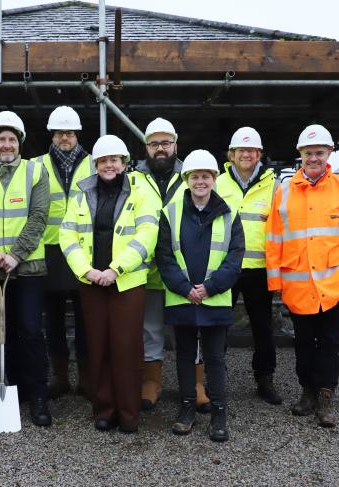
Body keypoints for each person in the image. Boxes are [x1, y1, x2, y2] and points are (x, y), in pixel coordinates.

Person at [265, 124, 339, 428]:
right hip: (298, 286)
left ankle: (325, 398)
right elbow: (273, 240)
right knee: (302, 344)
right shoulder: (284, 191)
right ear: (301, 155)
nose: (314, 158)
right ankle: (307, 393)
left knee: (328, 343)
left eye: (319, 152)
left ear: (329, 154)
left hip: (334, 285)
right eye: (309, 153)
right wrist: (275, 282)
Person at [60, 134, 160, 433]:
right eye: (103, 161)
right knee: (98, 346)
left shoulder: (141, 191)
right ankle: (104, 410)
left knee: (126, 348)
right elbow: (67, 235)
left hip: (126, 282)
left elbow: (147, 234)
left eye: (114, 160)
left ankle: (129, 414)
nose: (108, 165)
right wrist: (86, 271)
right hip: (92, 282)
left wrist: (116, 269)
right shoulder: (81, 193)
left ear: (124, 163)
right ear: (95, 165)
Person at [0, 110, 53, 426]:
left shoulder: (35, 172)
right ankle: (15, 389)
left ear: (20, 143)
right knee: (5, 332)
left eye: (11, 139)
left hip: (27, 267)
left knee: (30, 330)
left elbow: (39, 216)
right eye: (1, 139)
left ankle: (39, 393)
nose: (6, 145)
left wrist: (16, 254)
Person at [156, 150, 244, 442]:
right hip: (182, 298)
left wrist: (210, 287)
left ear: (214, 179)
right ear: (186, 180)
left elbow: (235, 257)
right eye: (195, 176)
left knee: (215, 358)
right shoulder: (170, 213)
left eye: (206, 176)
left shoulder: (230, 214)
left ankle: (219, 414)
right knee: (183, 356)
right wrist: (185, 288)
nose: (201, 181)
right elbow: (164, 257)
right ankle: (186, 410)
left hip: (215, 299)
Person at [136, 118, 210, 412]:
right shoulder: (134, 178)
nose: (160, 149)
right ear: (146, 148)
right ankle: (151, 383)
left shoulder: (191, 175)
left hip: (184, 269)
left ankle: (196, 384)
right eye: (154, 144)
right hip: (149, 269)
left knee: (191, 328)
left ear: (175, 145)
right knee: (150, 328)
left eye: (166, 143)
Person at [215, 127, 282, 405]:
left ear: (259, 155)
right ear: (231, 154)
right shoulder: (218, 183)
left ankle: (264, 378)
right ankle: (216, 377)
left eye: (251, 150)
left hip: (259, 267)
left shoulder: (275, 185)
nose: (246, 154)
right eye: (241, 150)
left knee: (262, 326)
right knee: (218, 325)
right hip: (226, 267)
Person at [30, 106, 93, 398]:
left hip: (84, 251)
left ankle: (86, 377)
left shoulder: (94, 164)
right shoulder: (36, 165)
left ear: (76, 134)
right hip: (50, 250)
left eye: (69, 132)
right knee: (52, 319)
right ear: (52, 135)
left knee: (85, 318)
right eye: (59, 133)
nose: (64, 137)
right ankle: (59, 376)